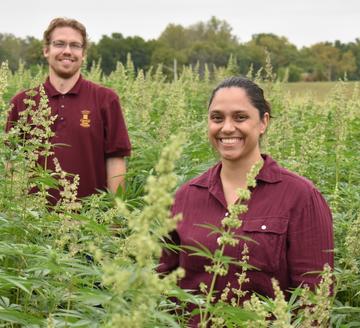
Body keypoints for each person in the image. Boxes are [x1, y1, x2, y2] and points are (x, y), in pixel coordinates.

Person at [158, 76, 334, 324]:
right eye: (217, 118)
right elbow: (162, 282)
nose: (227, 128)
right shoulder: (185, 196)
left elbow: (315, 297)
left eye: (240, 117)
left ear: (263, 122)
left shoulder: (300, 196)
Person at [6, 17, 131, 202]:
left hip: (90, 222)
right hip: (32, 224)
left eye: (75, 45)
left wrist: (116, 216)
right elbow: (11, 162)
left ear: (84, 54)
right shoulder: (23, 102)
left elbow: (116, 159)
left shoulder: (105, 99)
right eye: (59, 44)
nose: (67, 51)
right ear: (46, 50)